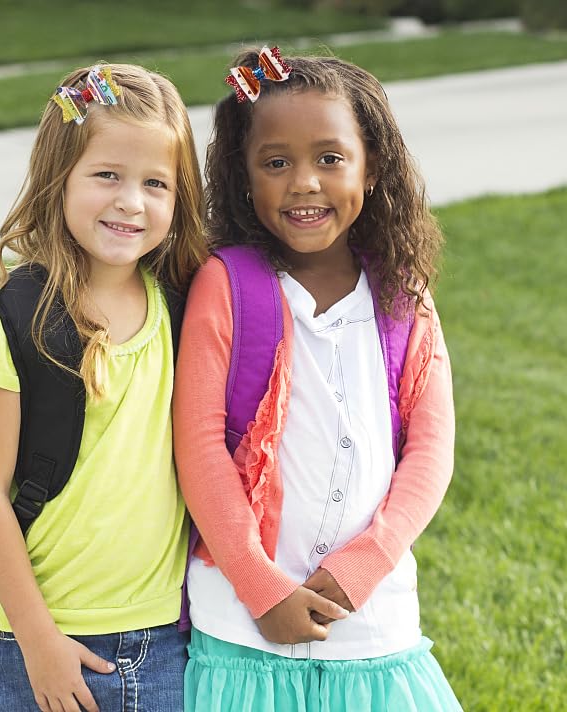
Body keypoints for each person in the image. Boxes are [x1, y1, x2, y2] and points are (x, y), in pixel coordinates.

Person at [173, 48, 463, 711]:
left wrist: (366, 563)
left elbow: (431, 451)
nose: (304, 183)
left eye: (330, 158)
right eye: (276, 163)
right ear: (244, 176)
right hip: (243, 631)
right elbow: (199, 447)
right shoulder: (227, 285)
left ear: (372, 166)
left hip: (373, 624)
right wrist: (259, 586)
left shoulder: (403, 295)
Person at [0, 63, 207, 712]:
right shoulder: (14, 320)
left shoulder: (185, 308)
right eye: (107, 174)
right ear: (59, 178)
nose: (131, 201)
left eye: (156, 183)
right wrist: (38, 641)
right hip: (28, 645)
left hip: (163, 640)